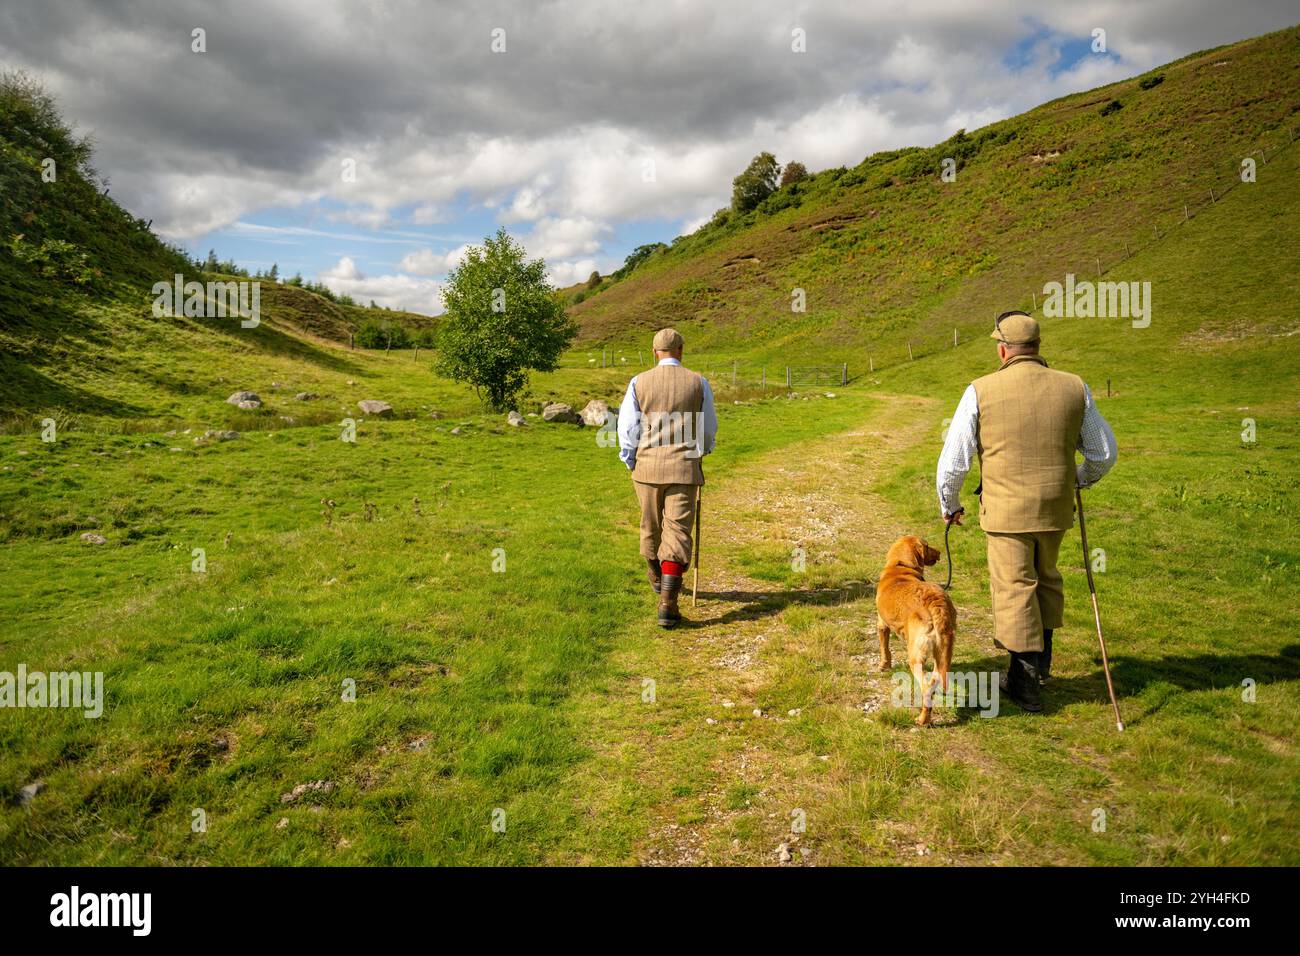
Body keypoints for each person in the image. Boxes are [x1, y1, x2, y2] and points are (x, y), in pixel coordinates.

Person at [936, 312, 1117, 711]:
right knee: (1047, 579)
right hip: (1055, 509)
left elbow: (954, 462)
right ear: (1037, 347)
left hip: (1005, 513)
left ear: (1002, 350)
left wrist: (949, 504)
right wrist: (1077, 480)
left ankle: (1026, 685)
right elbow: (1103, 453)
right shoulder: (1074, 386)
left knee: (1016, 587)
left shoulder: (981, 390)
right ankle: (1042, 666)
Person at [617, 328, 717, 627]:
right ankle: (668, 603)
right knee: (677, 530)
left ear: (654, 352)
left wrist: (630, 458)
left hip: (647, 468)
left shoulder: (639, 382)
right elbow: (708, 426)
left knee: (651, 525)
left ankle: (658, 578)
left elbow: (628, 428)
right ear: (681, 350)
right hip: (684, 467)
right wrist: (703, 450)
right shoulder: (699, 382)